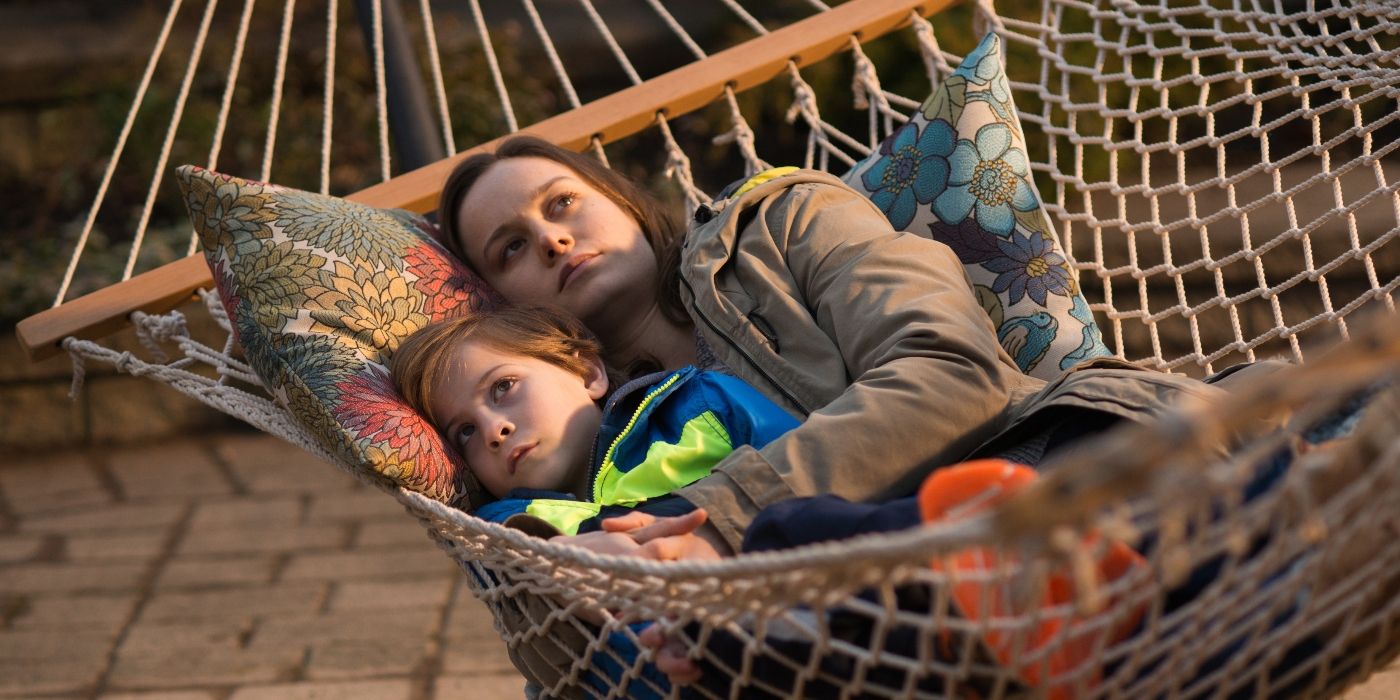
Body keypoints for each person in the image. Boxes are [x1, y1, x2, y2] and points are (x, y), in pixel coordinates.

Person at [435, 135, 1279, 683]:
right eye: (511, 247)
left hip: (1065, 452)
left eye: (562, 203)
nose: (550, 239)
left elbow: (950, 370)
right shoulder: (573, 443)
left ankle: (1272, 509)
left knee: (778, 543)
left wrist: (720, 517)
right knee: (724, 640)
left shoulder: (779, 224)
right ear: (497, 298)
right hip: (882, 607)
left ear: (619, 199)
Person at [390, 304, 800, 537]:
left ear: (587, 374)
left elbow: (801, 466)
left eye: (503, 387)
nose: (493, 431)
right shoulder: (513, 524)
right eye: (465, 432)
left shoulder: (698, 404)